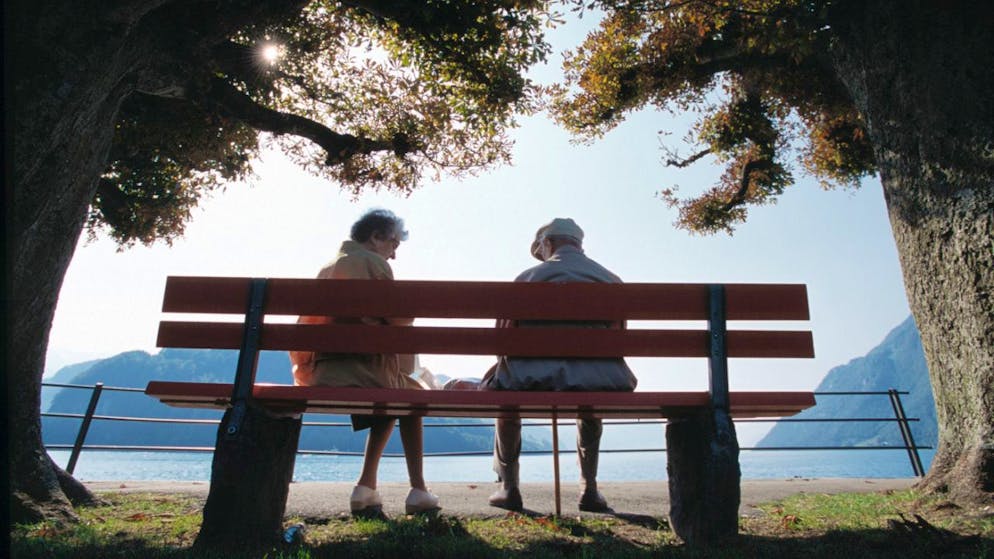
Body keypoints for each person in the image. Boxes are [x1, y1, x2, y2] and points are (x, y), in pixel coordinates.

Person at [291, 209, 440, 518]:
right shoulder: (374, 263)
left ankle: (366, 485)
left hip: (323, 373)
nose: (395, 255)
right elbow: (400, 321)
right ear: (375, 237)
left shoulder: (327, 267)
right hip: (365, 373)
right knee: (412, 394)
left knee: (395, 390)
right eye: (394, 244)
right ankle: (418, 490)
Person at [481, 218, 638, 512]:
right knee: (590, 393)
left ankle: (509, 487)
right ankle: (589, 489)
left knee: (506, 398)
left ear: (549, 243)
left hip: (530, 379)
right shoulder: (612, 281)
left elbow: (502, 340)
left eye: (539, 249)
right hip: (599, 379)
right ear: (579, 244)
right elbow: (619, 338)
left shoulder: (526, 279)